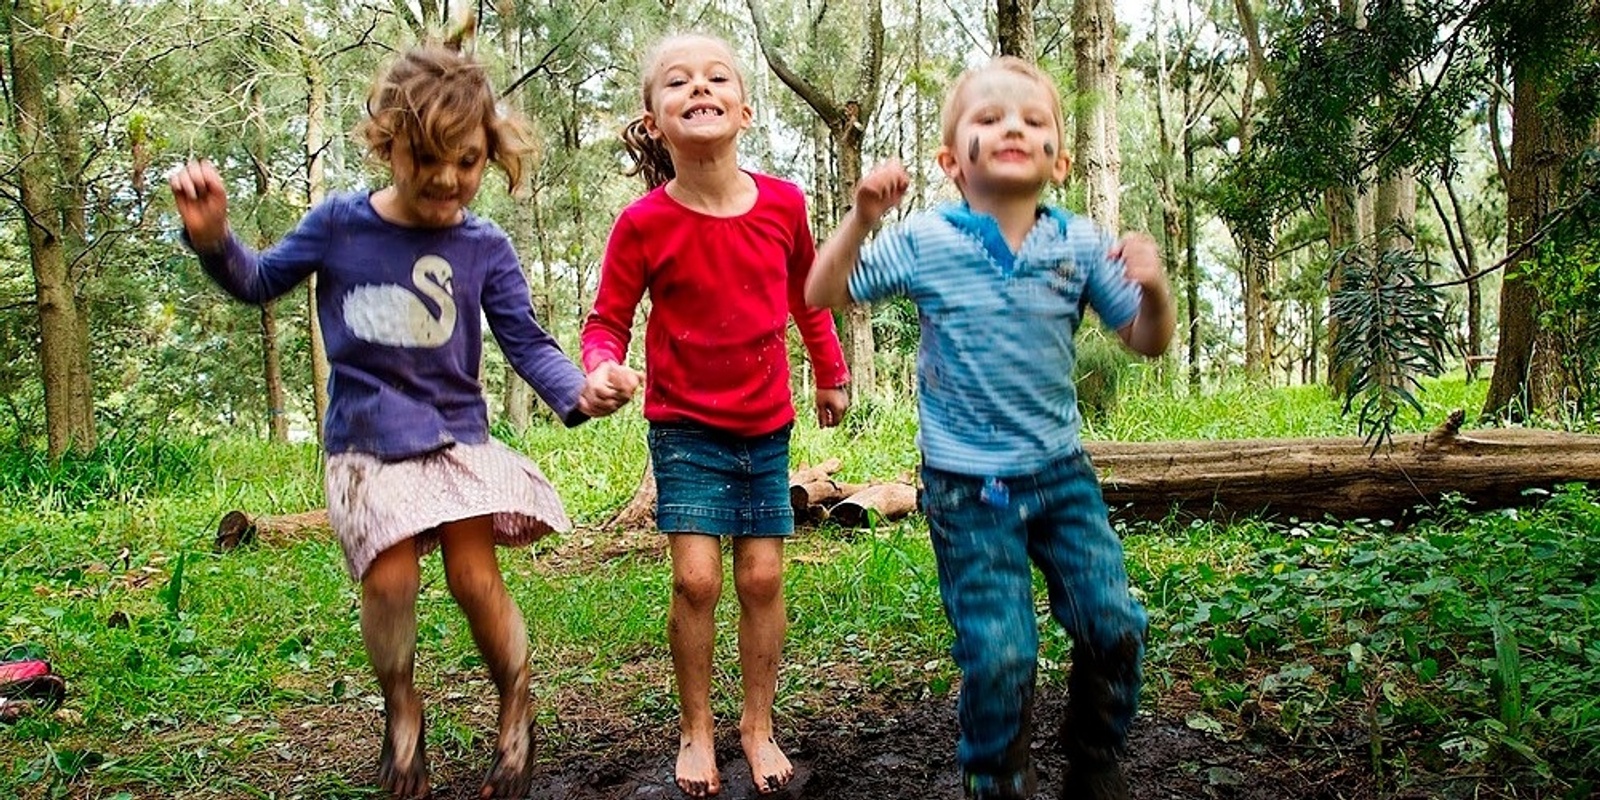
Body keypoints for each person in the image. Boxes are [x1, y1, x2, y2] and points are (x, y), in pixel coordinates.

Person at [169, 41, 640, 800]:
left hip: (454, 437)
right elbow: (257, 281)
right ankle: (400, 708)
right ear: (389, 143)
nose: (449, 180)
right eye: (428, 160)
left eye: (468, 161)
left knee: (473, 579)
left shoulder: (484, 244)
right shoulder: (339, 225)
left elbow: (525, 341)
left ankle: (516, 699)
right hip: (365, 445)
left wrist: (582, 391)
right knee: (388, 584)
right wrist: (213, 240)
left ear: (488, 152)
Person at [806, 56, 1174, 800]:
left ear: (1060, 161)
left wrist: (1155, 285)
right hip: (967, 488)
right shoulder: (927, 239)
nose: (1012, 126)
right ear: (950, 160)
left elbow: (1146, 338)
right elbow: (824, 290)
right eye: (989, 118)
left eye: (1033, 120)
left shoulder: (1077, 242)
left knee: (1115, 625)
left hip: (1061, 478)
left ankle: (1095, 754)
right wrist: (862, 217)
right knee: (1000, 653)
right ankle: (997, 774)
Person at [580, 32, 851, 799]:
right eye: (677, 82)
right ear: (654, 118)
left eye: (716, 77)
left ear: (745, 108)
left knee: (762, 575)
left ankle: (756, 726)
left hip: (766, 423)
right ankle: (696, 728)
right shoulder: (643, 224)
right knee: (697, 580)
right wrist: (601, 364)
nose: (698, 88)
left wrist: (830, 373)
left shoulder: (784, 204)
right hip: (684, 427)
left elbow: (809, 294)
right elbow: (608, 319)